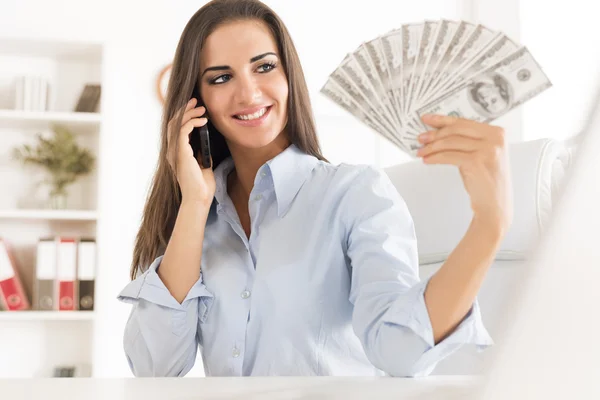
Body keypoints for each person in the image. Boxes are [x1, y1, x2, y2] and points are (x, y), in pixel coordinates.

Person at [118, 0, 513, 377]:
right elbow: (156, 368)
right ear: (195, 101)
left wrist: (490, 223)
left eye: (264, 67)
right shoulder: (198, 219)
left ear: (289, 76)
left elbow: (400, 351)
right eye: (221, 77)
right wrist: (195, 202)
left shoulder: (355, 194)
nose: (249, 94)